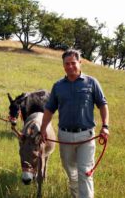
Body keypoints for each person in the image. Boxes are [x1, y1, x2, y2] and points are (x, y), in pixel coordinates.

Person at [40, 49, 109, 198]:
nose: (70, 66)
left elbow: (103, 104)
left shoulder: (91, 83)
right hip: (64, 136)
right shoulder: (58, 86)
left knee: (84, 172)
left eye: (73, 63)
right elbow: (49, 109)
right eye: (66, 64)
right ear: (63, 65)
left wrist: (105, 126)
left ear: (80, 63)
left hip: (86, 136)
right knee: (71, 172)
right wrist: (43, 129)